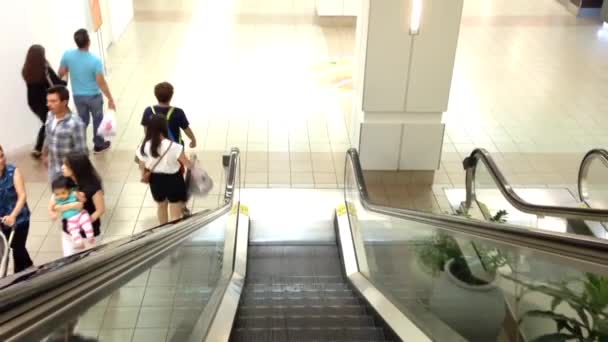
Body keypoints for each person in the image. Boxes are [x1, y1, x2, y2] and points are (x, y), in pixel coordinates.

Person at [59, 28, 115, 154]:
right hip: (94, 96)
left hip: (78, 96)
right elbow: (101, 82)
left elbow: (61, 72)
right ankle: (99, 145)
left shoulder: (68, 55)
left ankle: (80, 146)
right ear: (88, 42)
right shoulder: (95, 61)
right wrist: (110, 98)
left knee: (82, 121)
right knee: (97, 120)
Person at [136, 116, 191, 224]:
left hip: (155, 180)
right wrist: (193, 160)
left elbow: (141, 166)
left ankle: (163, 231)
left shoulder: (144, 146)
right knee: (175, 209)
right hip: (174, 179)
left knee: (161, 205)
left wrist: (144, 174)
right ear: (164, 128)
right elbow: (187, 165)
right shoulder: (174, 146)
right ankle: (174, 235)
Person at [55, 153, 105, 256]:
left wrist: (84, 221)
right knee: (68, 261)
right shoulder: (65, 182)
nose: (62, 167)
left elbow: (100, 210)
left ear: (76, 168)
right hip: (69, 231)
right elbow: (55, 198)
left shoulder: (93, 187)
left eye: (66, 165)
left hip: (88, 234)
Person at [22, 44, 66, 159]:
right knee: (49, 122)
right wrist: (65, 77)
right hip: (46, 102)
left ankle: (39, 148)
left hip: (33, 102)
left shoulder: (26, 69)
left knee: (47, 122)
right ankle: (41, 147)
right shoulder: (44, 69)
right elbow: (57, 83)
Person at [0, 145, 34, 273]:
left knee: (18, 249)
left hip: (20, 220)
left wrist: (13, 215)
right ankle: (29, 270)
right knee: (8, 251)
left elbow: (22, 196)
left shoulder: (13, 172)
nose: (1, 160)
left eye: (2, 156)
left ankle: (24, 276)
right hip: (2, 223)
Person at [42, 86, 87, 182]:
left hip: (69, 173)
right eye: (48, 101)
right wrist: (45, 154)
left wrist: (74, 173)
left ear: (64, 102)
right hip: (53, 170)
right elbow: (48, 136)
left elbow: (82, 152)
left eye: (53, 101)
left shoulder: (76, 123)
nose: (49, 104)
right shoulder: (49, 116)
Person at [141, 82, 196, 148]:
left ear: (156, 95)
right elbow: (186, 129)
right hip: (175, 147)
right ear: (171, 96)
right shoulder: (178, 112)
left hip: (155, 147)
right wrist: (193, 139)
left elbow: (146, 130)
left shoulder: (149, 111)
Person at [49, 176, 95, 249]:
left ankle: (90, 236)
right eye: (57, 194)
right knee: (73, 230)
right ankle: (79, 243)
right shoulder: (56, 199)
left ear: (69, 190)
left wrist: (80, 196)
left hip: (81, 215)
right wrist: (53, 214)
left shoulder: (73, 194)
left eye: (63, 193)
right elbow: (51, 208)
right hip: (70, 219)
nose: (61, 196)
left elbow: (83, 200)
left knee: (86, 223)